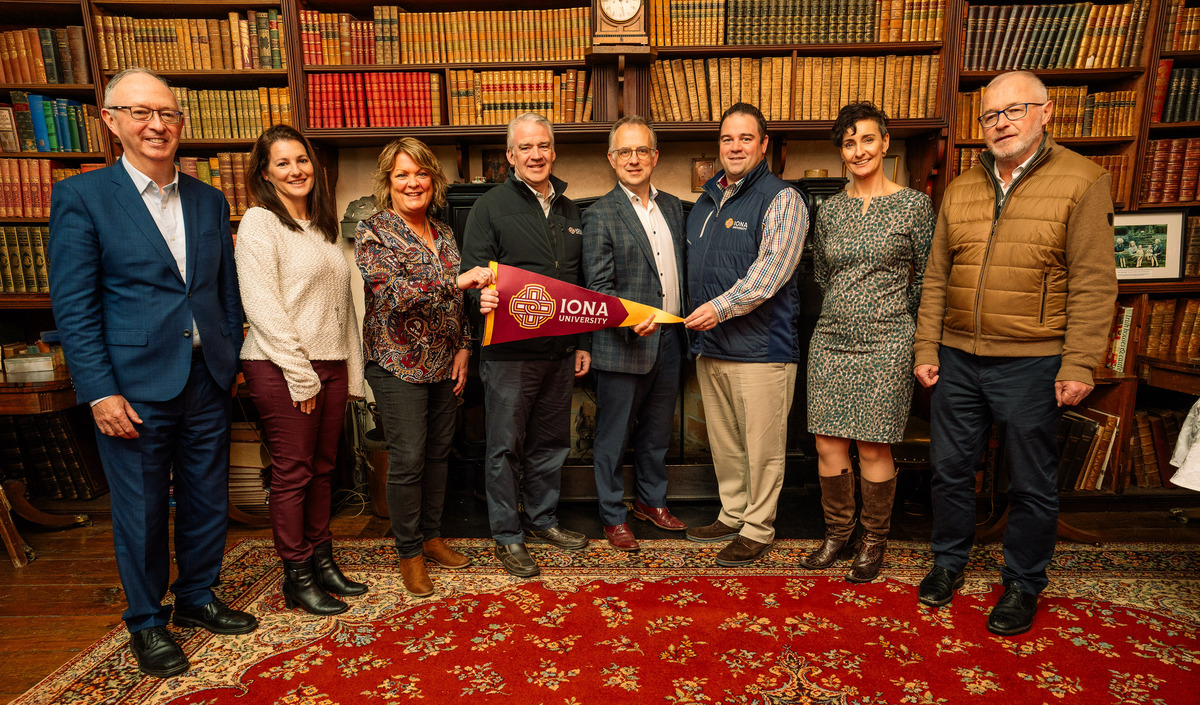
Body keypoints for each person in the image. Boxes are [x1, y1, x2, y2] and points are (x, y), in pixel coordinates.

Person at [48, 68, 255, 678]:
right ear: (110, 121)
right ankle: (146, 620)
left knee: (204, 498)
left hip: (207, 377)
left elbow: (225, 291)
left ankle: (196, 598)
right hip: (132, 387)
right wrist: (98, 390)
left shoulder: (208, 199)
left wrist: (231, 353)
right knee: (139, 510)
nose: (156, 124)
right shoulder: (83, 197)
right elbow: (75, 305)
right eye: (140, 112)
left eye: (166, 113)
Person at [913, 71, 1117, 636]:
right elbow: (936, 277)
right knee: (951, 471)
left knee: (1030, 481)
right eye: (990, 115)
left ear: (1045, 112)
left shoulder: (1083, 179)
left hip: (1033, 361)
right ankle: (947, 564)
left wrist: (1079, 363)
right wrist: (927, 344)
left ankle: (1023, 584)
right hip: (957, 356)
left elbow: (1096, 282)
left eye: (1015, 110)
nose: (1001, 122)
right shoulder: (961, 187)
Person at [800, 102, 935, 582]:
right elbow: (821, 274)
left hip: (888, 339)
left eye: (866, 140)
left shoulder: (914, 205)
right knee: (827, 442)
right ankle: (838, 535)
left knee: (874, 446)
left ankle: (873, 541)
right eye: (848, 143)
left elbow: (927, 281)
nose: (858, 150)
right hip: (832, 337)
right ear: (841, 152)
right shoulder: (830, 210)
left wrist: (920, 342)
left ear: (885, 143)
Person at [236, 124, 367, 616]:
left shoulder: (322, 226)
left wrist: (352, 374)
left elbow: (342, 307)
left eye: (302, 160)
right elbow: (262, 305)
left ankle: (323, 560)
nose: (296, 170)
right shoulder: (259, 223)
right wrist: (300, 372)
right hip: (280, 365)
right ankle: (297, 575)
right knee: (293, 474)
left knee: (325, 470)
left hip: (330, 364)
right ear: (266, 173)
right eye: (283, 163)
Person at [357, 138, 494, 596]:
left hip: (443, 362)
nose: (413, 182)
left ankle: (432, 537)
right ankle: (409, 552)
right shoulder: (373, 231)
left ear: (433, 180)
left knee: (439, 454)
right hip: (396, 363)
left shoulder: (444, 231)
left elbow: (457, 305)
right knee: (410, 459)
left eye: (420, 173)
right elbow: (394, 295)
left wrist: (464, 348)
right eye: (402, 174)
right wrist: (457, 280)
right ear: (388, 182)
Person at [461, 112, 591, 578]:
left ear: (553, 152)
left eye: (543, 147)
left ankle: (542, 520)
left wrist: (580, 342)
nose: (536, 155)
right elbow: (474, 275)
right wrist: (482, 294)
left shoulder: (573, 211)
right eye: (525, 148)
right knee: (504, 448)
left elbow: (577, 284)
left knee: (551, 443)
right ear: (511, 156)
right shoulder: (489, 207)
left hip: (559, 350)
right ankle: (507, 534)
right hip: (509, 354)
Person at [683, 103, 808, 567]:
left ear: (763, 145)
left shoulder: (783, 199)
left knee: (763, 448)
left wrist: (718, 308)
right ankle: (733, 511)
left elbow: (770, 272)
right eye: (727, 139)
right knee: (726, 443)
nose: (735, 147)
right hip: (711, 348)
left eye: (745, 139)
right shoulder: (705, 202)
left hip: (763, 350)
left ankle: (758, 527)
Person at [582, 115, 688, 551]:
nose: (634, 159)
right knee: (613, 435)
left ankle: (650, 501)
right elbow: (597, 287)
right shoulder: (599, 214)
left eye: (642, 150)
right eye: (624, 151)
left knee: (658, 432)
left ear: (655, 156)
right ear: (611, 158)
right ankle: (611, 513)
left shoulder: (676, 208)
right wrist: (628, 322)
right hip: (622, 343)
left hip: (670, 341)